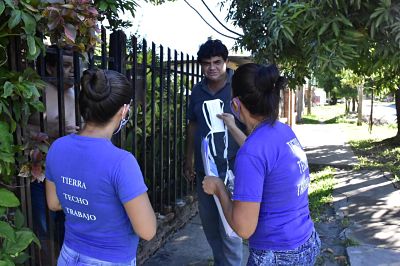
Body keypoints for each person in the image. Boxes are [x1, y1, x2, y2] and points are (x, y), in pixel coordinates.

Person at [202, 63, 321, 265]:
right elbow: (264, 157)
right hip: (305, 242)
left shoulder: (251, 154)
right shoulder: (283, 131)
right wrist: (232, 126)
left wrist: (219, 188)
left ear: (236, 104)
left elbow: (244, 228)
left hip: (276, 254)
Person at [45, 68, 156, 265]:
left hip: (69, 255)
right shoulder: (122, 162)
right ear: (123, 111)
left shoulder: (57, 147)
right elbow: (147, 230)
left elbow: (54, 203)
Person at [185, 39, 243, 265]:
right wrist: (188, 159)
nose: (212, 67)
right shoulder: (197, 91)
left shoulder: (237, 86)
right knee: (210, 226)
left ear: (226, 62)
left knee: (230, 228)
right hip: (205, 169)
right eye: (207, 63)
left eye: (217, 62)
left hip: (233, 167)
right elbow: (192, 124)